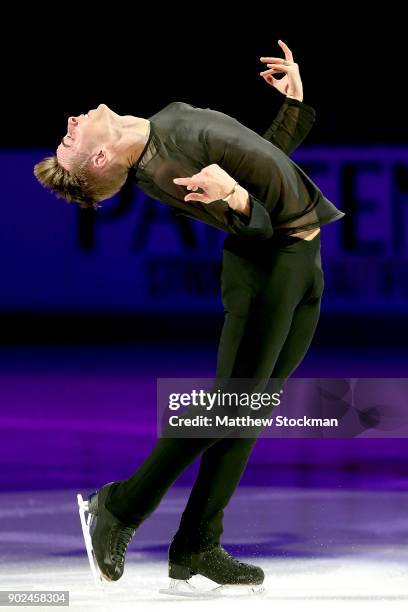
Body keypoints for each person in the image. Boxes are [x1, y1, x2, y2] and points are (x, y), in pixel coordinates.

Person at [35, 40, 345, 593]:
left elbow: (261, 165)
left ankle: (197, 545)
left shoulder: (159, 128)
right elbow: (253, 227)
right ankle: (120, 507)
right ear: (100, 159)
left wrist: (292, 109)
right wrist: (238, 201)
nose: (72, 121)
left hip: (301, 264)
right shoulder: (166, 167)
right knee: (229, 406)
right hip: (267, 274)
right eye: (69, 137)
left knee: (245, 412)